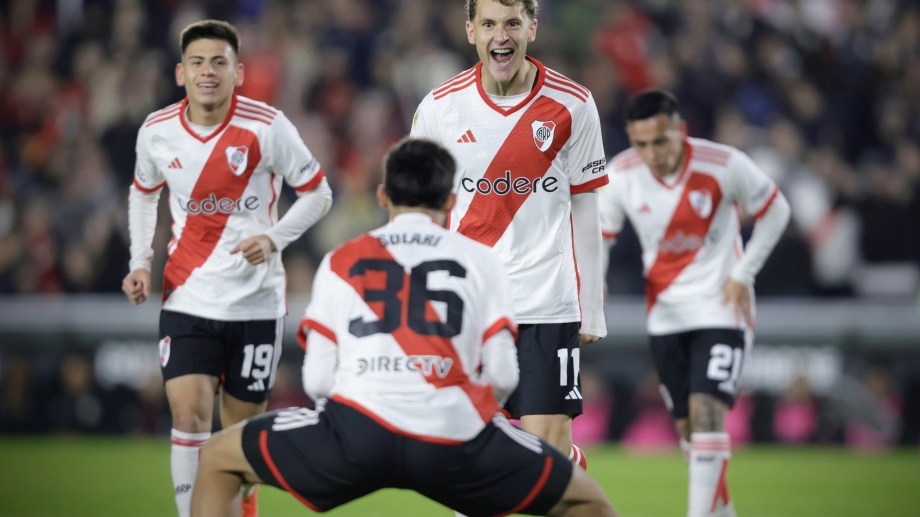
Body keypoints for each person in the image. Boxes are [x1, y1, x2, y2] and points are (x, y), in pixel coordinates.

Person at [190, 138, 618, 517]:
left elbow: (317, 380)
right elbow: (504, 375)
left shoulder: (341, 259)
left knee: (217, 458)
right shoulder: (481, 261)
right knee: (586, 499)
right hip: (452, 438)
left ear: (383, 196)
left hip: (356, 433)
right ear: (450, 201)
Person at [121, 19, 332, 517]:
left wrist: (274, 238)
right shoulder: (157, 131)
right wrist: (141, 262)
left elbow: (318, 192)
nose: (208, 72)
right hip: (187, 296)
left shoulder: (267, 126)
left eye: (219, 62)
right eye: (197, 62)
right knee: (189, 416)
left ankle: (245, 507)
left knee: (239, 436)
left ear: (238, 72)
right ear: (180, 73)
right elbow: (143, 194)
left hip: (255, 303)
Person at [409, 0, 609, 469]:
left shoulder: (574, 104)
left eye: (513, 23)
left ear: (532, 28)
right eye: (489, 24)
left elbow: (586, 205)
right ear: (470, 31)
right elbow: (418, 210)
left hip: (547, 301)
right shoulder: (439, 107)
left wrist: (592, 306)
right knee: (469, 451)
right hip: (470, 303)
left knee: (547, 460)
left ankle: (565, 460)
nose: (501, 36)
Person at [599, 89, 791, 517]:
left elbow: (776, 210)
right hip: (666, 316)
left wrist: (744, 273)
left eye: (660, 141)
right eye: (641, 144)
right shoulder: (622, 175)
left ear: (680, 131)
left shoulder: (723, 164)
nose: (652, 154)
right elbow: (600, 238)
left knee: (707, 415)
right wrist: (595, 285)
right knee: (690, 433)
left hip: (723, 309)